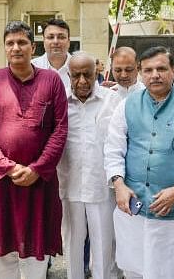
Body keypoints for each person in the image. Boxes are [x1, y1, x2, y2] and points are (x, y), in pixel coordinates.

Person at [104, 46, 174, 279]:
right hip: (136, 207)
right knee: (137, 267)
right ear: (140, 72)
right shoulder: (127, 105)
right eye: (148, 70)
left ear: (173, 71)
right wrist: (119, 185)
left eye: (161, 69)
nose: (154, 75)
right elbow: (113, 149)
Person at [0, 21, 68, 279]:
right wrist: (8, 167)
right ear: (5, 48)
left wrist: (37, 169)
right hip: (3, 181)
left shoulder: (51, 80)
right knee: (4, 250)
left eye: (22, 42)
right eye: (10, 43)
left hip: (40, 181)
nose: (16, 48)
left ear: (33, 47)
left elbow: (60, 129)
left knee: (37, 250)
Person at [59, 52, 120, 279]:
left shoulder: (111, 100)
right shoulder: (59, 102)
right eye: (77, 75)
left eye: (88, 75)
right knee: (72, 244)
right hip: (69, 184)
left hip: (102, 186)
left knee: (104, 245)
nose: (83, 81)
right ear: (69, 75)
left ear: (97, 73)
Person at [32, 18, 72, 91]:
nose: (56, 41)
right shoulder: (32, 68)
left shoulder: (80, 67)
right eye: (50, 37)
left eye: (61, 37)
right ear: (43, 41)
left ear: (68, 41)